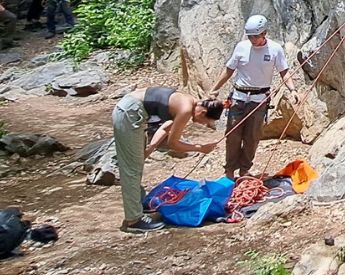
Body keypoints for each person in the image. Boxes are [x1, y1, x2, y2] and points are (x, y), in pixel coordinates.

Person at [113, 87, 223, 233]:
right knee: (131, 168)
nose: (203, 124)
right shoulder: (185, 110)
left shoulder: (188, 101)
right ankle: (133, 220)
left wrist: (149, 149)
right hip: (129, 113)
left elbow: (165, 129)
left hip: (131, 110)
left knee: (137, 164)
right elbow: (173, 143)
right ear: (202, 112)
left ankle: (138, 205)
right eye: (205, 121)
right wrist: (200, 148)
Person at [209, 15, 298, 180]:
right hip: (239, 97)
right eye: (250, 36)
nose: (252, 40)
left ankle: (244, 170)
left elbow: (283, 71)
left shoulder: (275, 49)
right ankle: (229, 171)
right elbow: (229, 70)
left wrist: (292, 89)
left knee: (252, 136)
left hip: (259, 99)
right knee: (233, 134)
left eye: (256, 36)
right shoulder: (241, 47)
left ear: (265, 33)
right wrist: (215, 89)